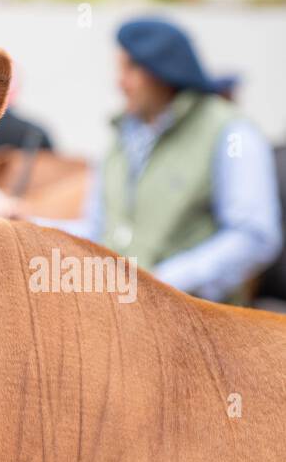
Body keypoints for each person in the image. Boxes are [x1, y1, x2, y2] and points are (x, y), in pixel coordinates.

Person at [40, 17, 281, 305]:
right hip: (124, 312)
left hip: (196, 323)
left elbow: (254, 236)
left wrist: (164, 280)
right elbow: (98, 228)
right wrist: (27, 226)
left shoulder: (230, 133)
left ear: (162, 71)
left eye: (130, 69)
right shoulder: (121, 140)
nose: (119, 82)